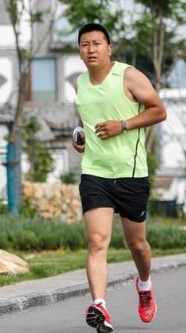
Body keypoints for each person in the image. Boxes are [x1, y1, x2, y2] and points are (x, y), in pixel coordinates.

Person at [71, 23, 167, 333]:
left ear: (109, 48)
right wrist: (79, 136)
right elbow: (84, 120)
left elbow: (159, 111)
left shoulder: (128, 76)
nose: (91, 49)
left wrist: (123, 125)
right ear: (79, 51)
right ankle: (100, 306)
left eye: (97, 43)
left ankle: (144, 284)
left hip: (131, 174)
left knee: (137, 245)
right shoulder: (79, 83)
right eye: (85, 44)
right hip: (95, 173)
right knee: (97, 241)